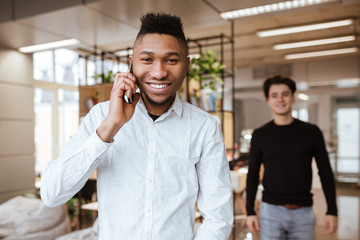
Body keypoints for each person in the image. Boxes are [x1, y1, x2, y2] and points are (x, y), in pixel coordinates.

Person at [40, 13, 233, 239]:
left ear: (187, 64)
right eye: (147, 60)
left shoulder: (204, 127)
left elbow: (218, 218)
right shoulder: (101, 117)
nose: (159, 73)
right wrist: (110, 127)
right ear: (132, 63)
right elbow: (52, 194)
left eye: (171, 60)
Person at [245, 75, 338, 240]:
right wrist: (250, 211)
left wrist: (332, 210)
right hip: (270, 213)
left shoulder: (311, 132)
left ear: (293, 98)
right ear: (268, 100)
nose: (280, 99)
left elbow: (325, 171)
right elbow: (252, 174)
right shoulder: (260, 135)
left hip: (303, 213)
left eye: (285, 94)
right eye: (274, 95)